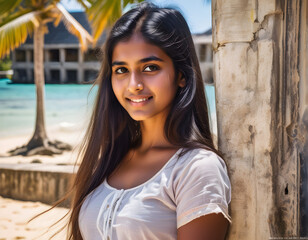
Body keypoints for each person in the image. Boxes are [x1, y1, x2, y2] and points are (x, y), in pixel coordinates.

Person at [68, 2, 231, 240]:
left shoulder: (196, 168)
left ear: (181, 76)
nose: (134, 84)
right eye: (121, 70)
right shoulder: (110, 159)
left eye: (150, 67)